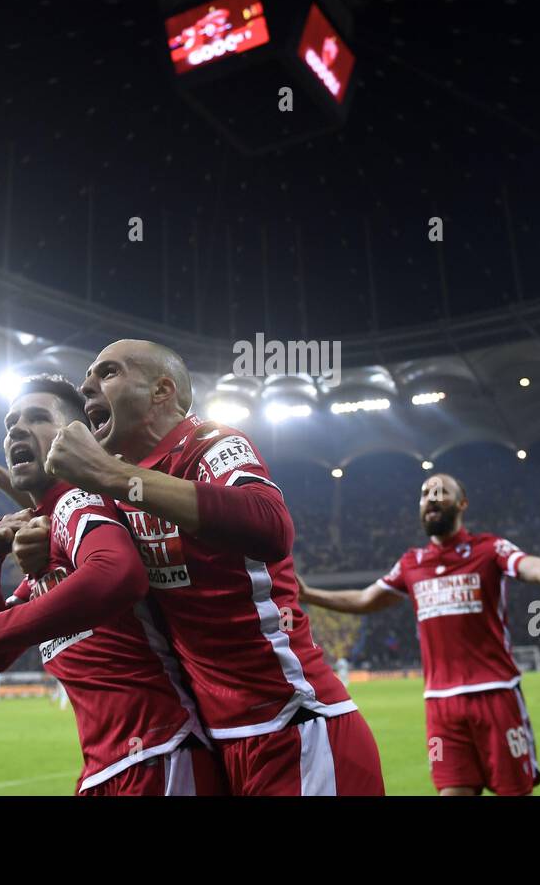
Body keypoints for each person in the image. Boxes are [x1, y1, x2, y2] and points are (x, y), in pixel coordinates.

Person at [41, 339, 384, 795]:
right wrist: (33, 536)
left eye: (107, 373)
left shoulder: (210, 443)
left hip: (294, 726)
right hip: (220, 743)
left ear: (162, 391)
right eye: (88, 377)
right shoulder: (121, 487)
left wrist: (111, 474)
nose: (87, 386)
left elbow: (270, 526)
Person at [0, 374, 223, 795]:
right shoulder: (53, 533)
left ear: (77, 436)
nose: (16, 429)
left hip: (160, 754)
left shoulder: (81, 501)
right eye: (9, 423)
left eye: (37, 418)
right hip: (115, 765)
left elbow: (117, 574)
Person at [298, 473, 540, 796]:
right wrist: (310, 594)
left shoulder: (490, 548)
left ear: (462, 503)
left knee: (515, 791)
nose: (432, 497)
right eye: (425, 493)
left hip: (495, 694)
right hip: (441, 704)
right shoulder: (412, 563)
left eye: (442, 491)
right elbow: (364, 599)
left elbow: (538, 570)